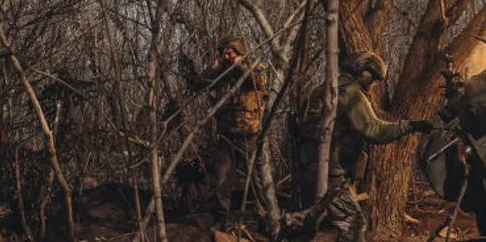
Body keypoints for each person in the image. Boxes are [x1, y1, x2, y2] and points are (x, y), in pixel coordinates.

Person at [285, 51, 433, 242]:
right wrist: (409, 126)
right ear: (362, 71)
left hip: (307, 170)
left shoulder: (321, 90)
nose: (372, 85)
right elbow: (373, 130)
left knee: (306, 226)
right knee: (353, 224)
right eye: (372, 79)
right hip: (329, 172)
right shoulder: (350, 92)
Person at [185, 37, 279, 233]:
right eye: (225, 53)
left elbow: (256, 82)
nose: (228, 56)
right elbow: (199, 85)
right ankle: (222, 221)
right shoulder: (222, 72)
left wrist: (236, 66)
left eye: (231, 53)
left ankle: (264, 220)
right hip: (227, 134)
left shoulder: (256, 66)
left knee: (255, 180)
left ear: (240, 52)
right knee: (221, 178)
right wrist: (214, 69)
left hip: (249, 134)